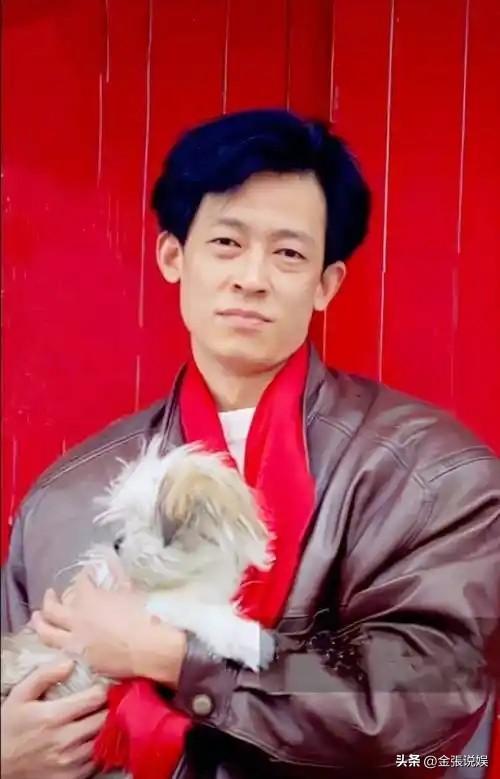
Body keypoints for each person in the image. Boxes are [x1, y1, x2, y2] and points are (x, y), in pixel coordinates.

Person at [1, 109, 499, 779]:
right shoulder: (67, 496)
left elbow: (424, 704)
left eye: (288, 253)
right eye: (226, 243)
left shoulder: (432, 475)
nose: (252, 277)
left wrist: (178, 657)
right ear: (173, 257)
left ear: (326, 284)